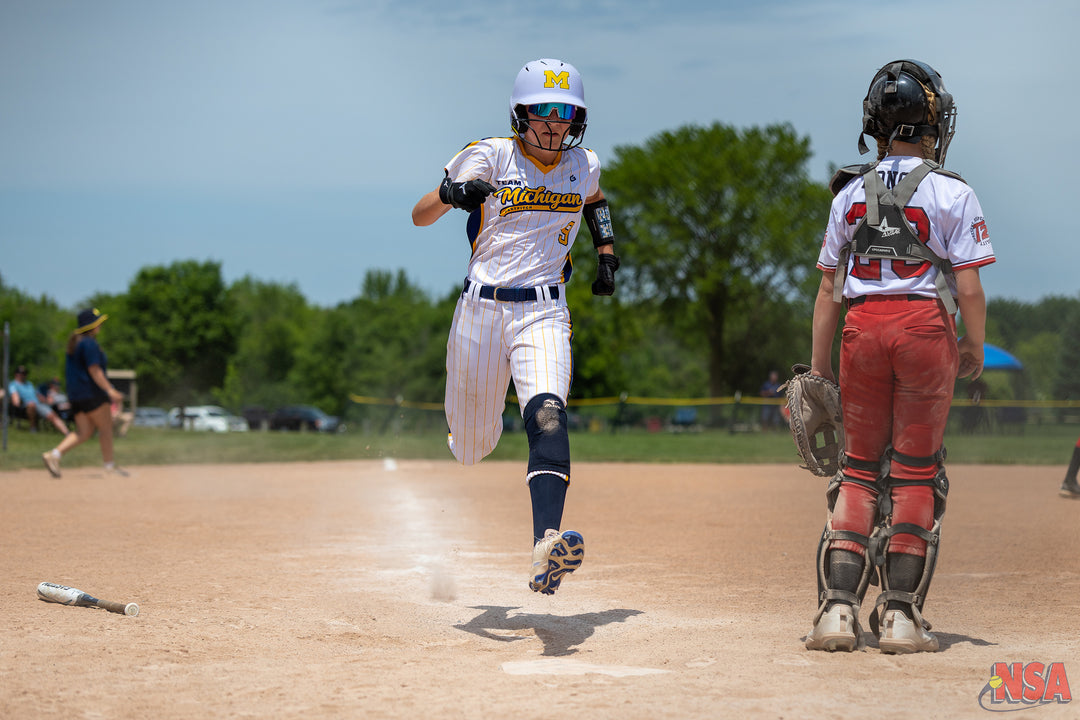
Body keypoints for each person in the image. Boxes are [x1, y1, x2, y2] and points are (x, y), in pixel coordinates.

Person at [803, 59, 994, 654]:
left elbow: (828, 292)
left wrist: (819, 369)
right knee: (914, 471)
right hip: (923, 330)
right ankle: (901, 618)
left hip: (861, 329)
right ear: (931, 123)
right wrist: (973, 344)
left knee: (859, 469)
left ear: (876, 124)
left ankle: (837, 612)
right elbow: (968, 288)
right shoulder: (953, 191)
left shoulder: (848, 193)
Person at [411, 58, 619, 595]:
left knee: (549, 416)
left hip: (544, 310)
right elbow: (420, 213)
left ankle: (546, 545)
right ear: (520, 113)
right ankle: (475, 424)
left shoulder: (583, 164)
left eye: (565, 112)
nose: (553, 123)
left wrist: (606, 254)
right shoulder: (491, 154)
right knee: (472, 446)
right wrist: (452, 195)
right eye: (543, 111)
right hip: (480, 310)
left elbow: (595, 200)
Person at [42, 308, 128, 478]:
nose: (100, 325)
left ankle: (54, 455)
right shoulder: (89, 343)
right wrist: (110, 390)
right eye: (98, 322)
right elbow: (94, 370)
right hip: (92, 393)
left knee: (84, 432)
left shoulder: (76, 343)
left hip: (76, 396)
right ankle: (109, 466)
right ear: (91, 325)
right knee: (106, 428)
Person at [7, 365, 69, 434]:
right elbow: (15, 399)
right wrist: (17, 401)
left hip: (38, 404)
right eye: (20, 373)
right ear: (16, 374)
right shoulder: (13, 385)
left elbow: (36, 395)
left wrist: (44, 399)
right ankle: (33, 428)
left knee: (53, 415)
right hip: (24, 406)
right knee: (31, 405)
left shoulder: (29, 384)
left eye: (24, 373)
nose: (23, 375)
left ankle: (67, 433)